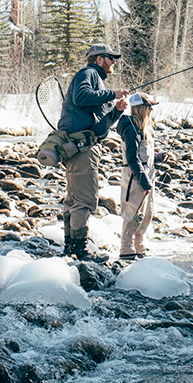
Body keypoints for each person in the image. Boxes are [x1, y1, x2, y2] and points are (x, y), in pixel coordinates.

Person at [56, 43, 128, 260]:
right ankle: (79, 251)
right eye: (110, 58)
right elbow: (81, 96)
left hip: (80, 146)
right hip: (81, 149)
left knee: (73, 199)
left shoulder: (95, 81)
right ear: (99, 59)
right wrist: (112, 93)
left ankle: (70, 249)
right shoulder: (87, 73)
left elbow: (99, 126)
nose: (114, 61)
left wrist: (116, 111)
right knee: (85, 200)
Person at [116, 91, 159, 261]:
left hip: (146, 173)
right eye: (149, 107)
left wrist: (158, 158)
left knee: (147, 212)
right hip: (135, 176)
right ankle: (126, 248)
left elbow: (144, 155)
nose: (151, 111)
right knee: (133, 212)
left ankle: (139, 245)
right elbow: (132, 158)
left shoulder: (142, 128)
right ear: (142, 108)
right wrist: (144, 181)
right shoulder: (131, 129)